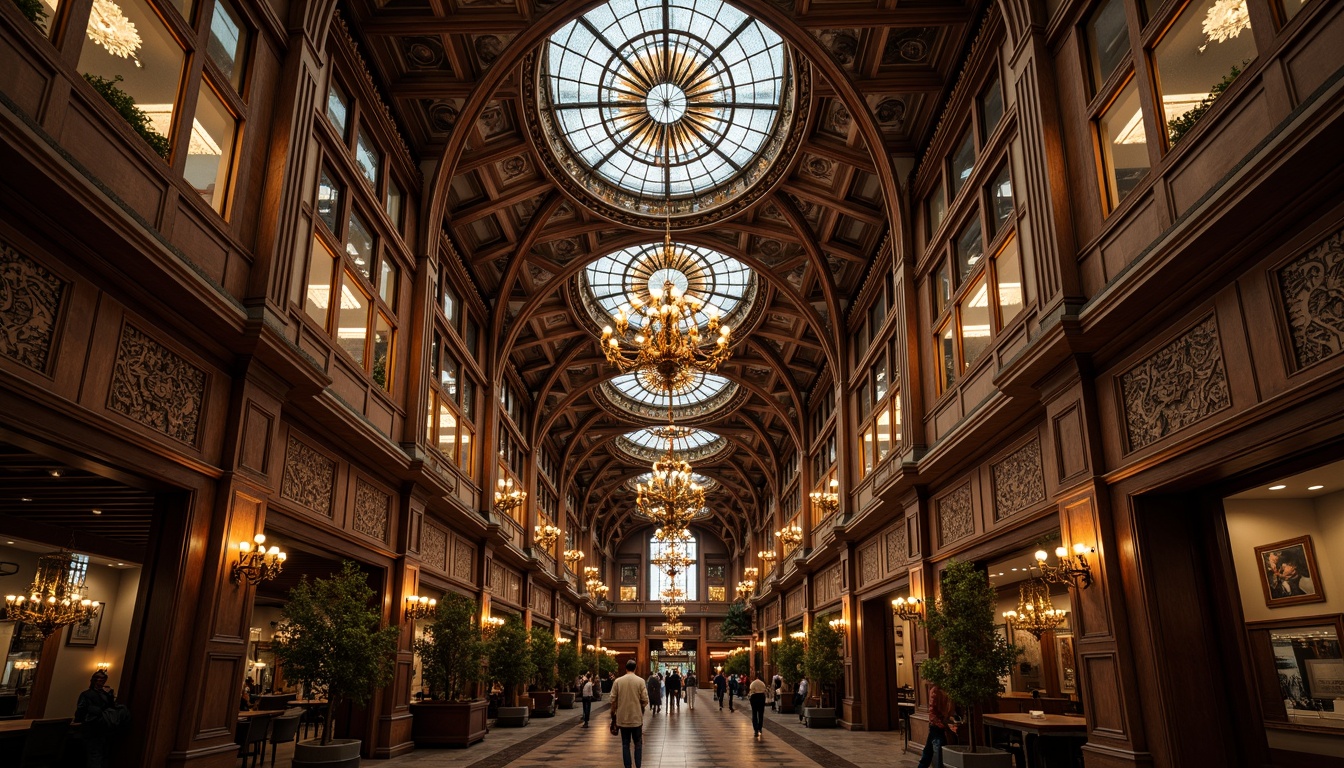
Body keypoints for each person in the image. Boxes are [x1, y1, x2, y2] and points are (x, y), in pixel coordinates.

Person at [75, 670, 119, 768]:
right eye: (101, 679)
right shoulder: (95, 694)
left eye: (103, 679)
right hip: (100, 726)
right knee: (98, 754)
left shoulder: (91, 694)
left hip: (95, 727)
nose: (102, 681)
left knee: (97, 754)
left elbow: (81, 710)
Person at [610, 660, 649, 768]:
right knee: (638, 744)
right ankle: (638, 766)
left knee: (625, 744)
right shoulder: (640, 681)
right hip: (636, 718)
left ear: (626, 668)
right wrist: (639, 708)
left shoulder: (618, 681)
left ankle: (628, 766)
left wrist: (613, 712)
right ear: (635, 668)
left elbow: (612, 699)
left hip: (622, 718)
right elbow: (645, 700)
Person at [916, 683, 959, 768]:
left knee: (929, 752)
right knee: (937, 754)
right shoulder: (937, 690)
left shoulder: (938, 690)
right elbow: (934, 710)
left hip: (937, 725)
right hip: (939, 725)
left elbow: (933, 709)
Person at [748, 672, 768, 738]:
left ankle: (755, 729)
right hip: (761, 697)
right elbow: (765, 691)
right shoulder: (762, 683)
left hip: (754, 697)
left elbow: (751, 690)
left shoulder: (753, 683)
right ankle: (760, 728)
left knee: (754, 713)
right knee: (761, 714)